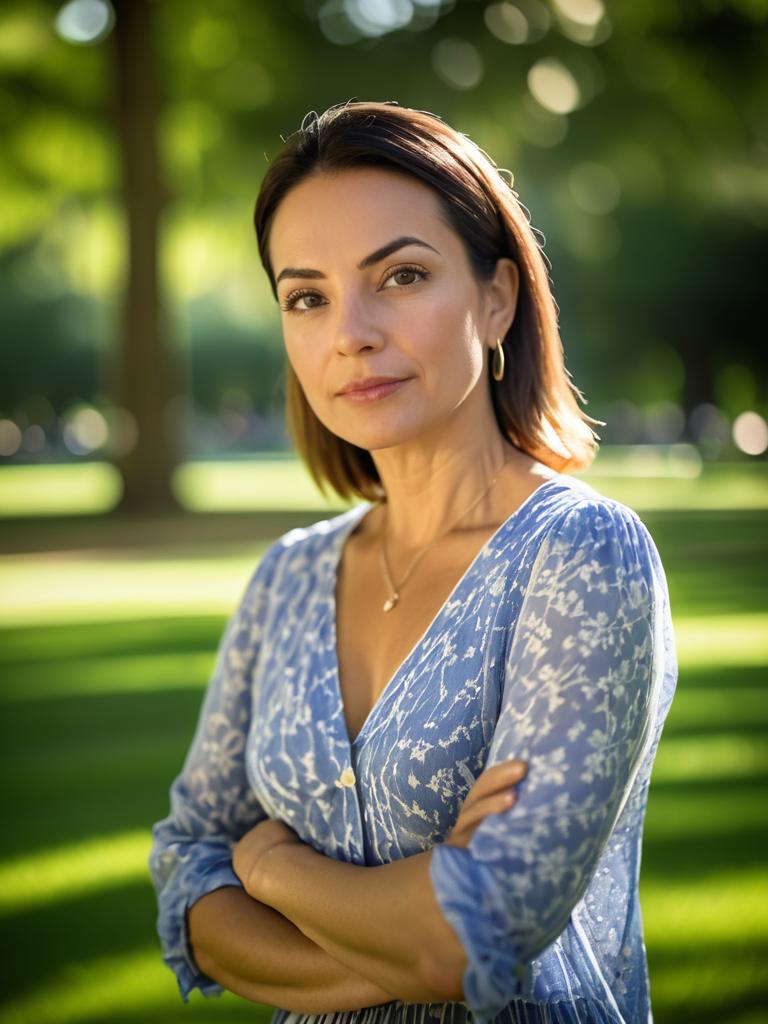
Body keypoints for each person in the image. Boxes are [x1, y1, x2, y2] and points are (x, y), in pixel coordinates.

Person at [148, 99, 678, 1024]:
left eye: (399, 275)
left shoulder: (581, 554)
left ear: (498, 297)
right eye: (306, 295)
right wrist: (410, 931)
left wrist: (270, 868)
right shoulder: (288, 576)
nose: (349, 331)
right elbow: (187, 867)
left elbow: (479, 930)